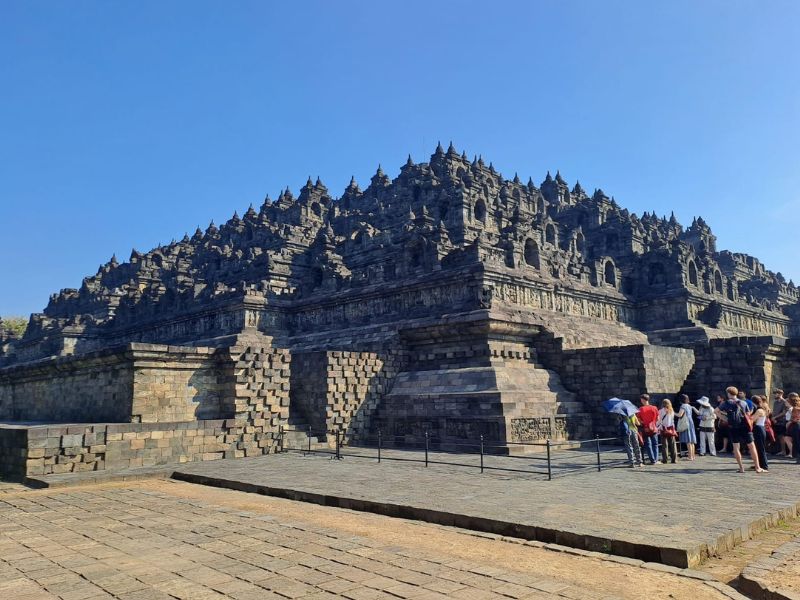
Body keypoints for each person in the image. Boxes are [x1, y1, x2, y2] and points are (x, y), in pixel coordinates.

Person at [717, 386, 763, 473]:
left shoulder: (726, 403)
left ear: (728, 393)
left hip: (733, 427)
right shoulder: (743, 402)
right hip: (744, 426)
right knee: (752, 446)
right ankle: (757, 467)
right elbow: (748, 414)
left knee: (736, 447)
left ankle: (741, 468)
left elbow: (716, 411)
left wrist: (725, 419)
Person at [638, 394, 660, 465]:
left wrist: (644, 422)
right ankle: (656, 459)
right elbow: (658, 419)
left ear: (643, 400)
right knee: (655, 444)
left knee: (648, 444)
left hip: (646, 428)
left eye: (641, 400)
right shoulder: (654, 408)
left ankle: (652, 460)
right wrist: (653, 423)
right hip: (654, 428)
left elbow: (639, 420)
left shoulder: (641, 409)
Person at [676, 394, 698, 460]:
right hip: (690, 422)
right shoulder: (689, 406)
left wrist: (673, 413)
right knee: (692, 441)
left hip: (686, 423)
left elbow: (680, 415)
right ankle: (693, 456)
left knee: (688, 441)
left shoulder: (683, 406)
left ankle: (690, 457)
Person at [752, 397, 770, 472]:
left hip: (759, 428)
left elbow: (753, 419)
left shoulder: (759, 410)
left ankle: (764, 465)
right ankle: (759, 464)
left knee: (760, 447)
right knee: (757, 447)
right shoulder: (760, 409)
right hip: (759, 428)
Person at [657, 399, 678, 464]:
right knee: (673, 444)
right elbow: (672, 421)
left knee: (664, 445)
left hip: (664, 429)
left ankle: (665, 459)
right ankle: (674, 459)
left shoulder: (660, 411)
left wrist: (657, 426)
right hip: (671, 428)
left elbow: (659, 421)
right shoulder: (671, 411)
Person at [771, 389, 789, 456]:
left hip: (782, 421)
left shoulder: (784, 402)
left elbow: (784, 412)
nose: (774, 395)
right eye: (774, 393)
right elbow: (774, 411)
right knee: (778, 436)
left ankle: (784, 451)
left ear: (781, 394)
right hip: (775, 421)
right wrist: (773, 418)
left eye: (776, 393)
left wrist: (775, 418)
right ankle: (781, 450)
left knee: (782, 436)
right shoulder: (775, 402)